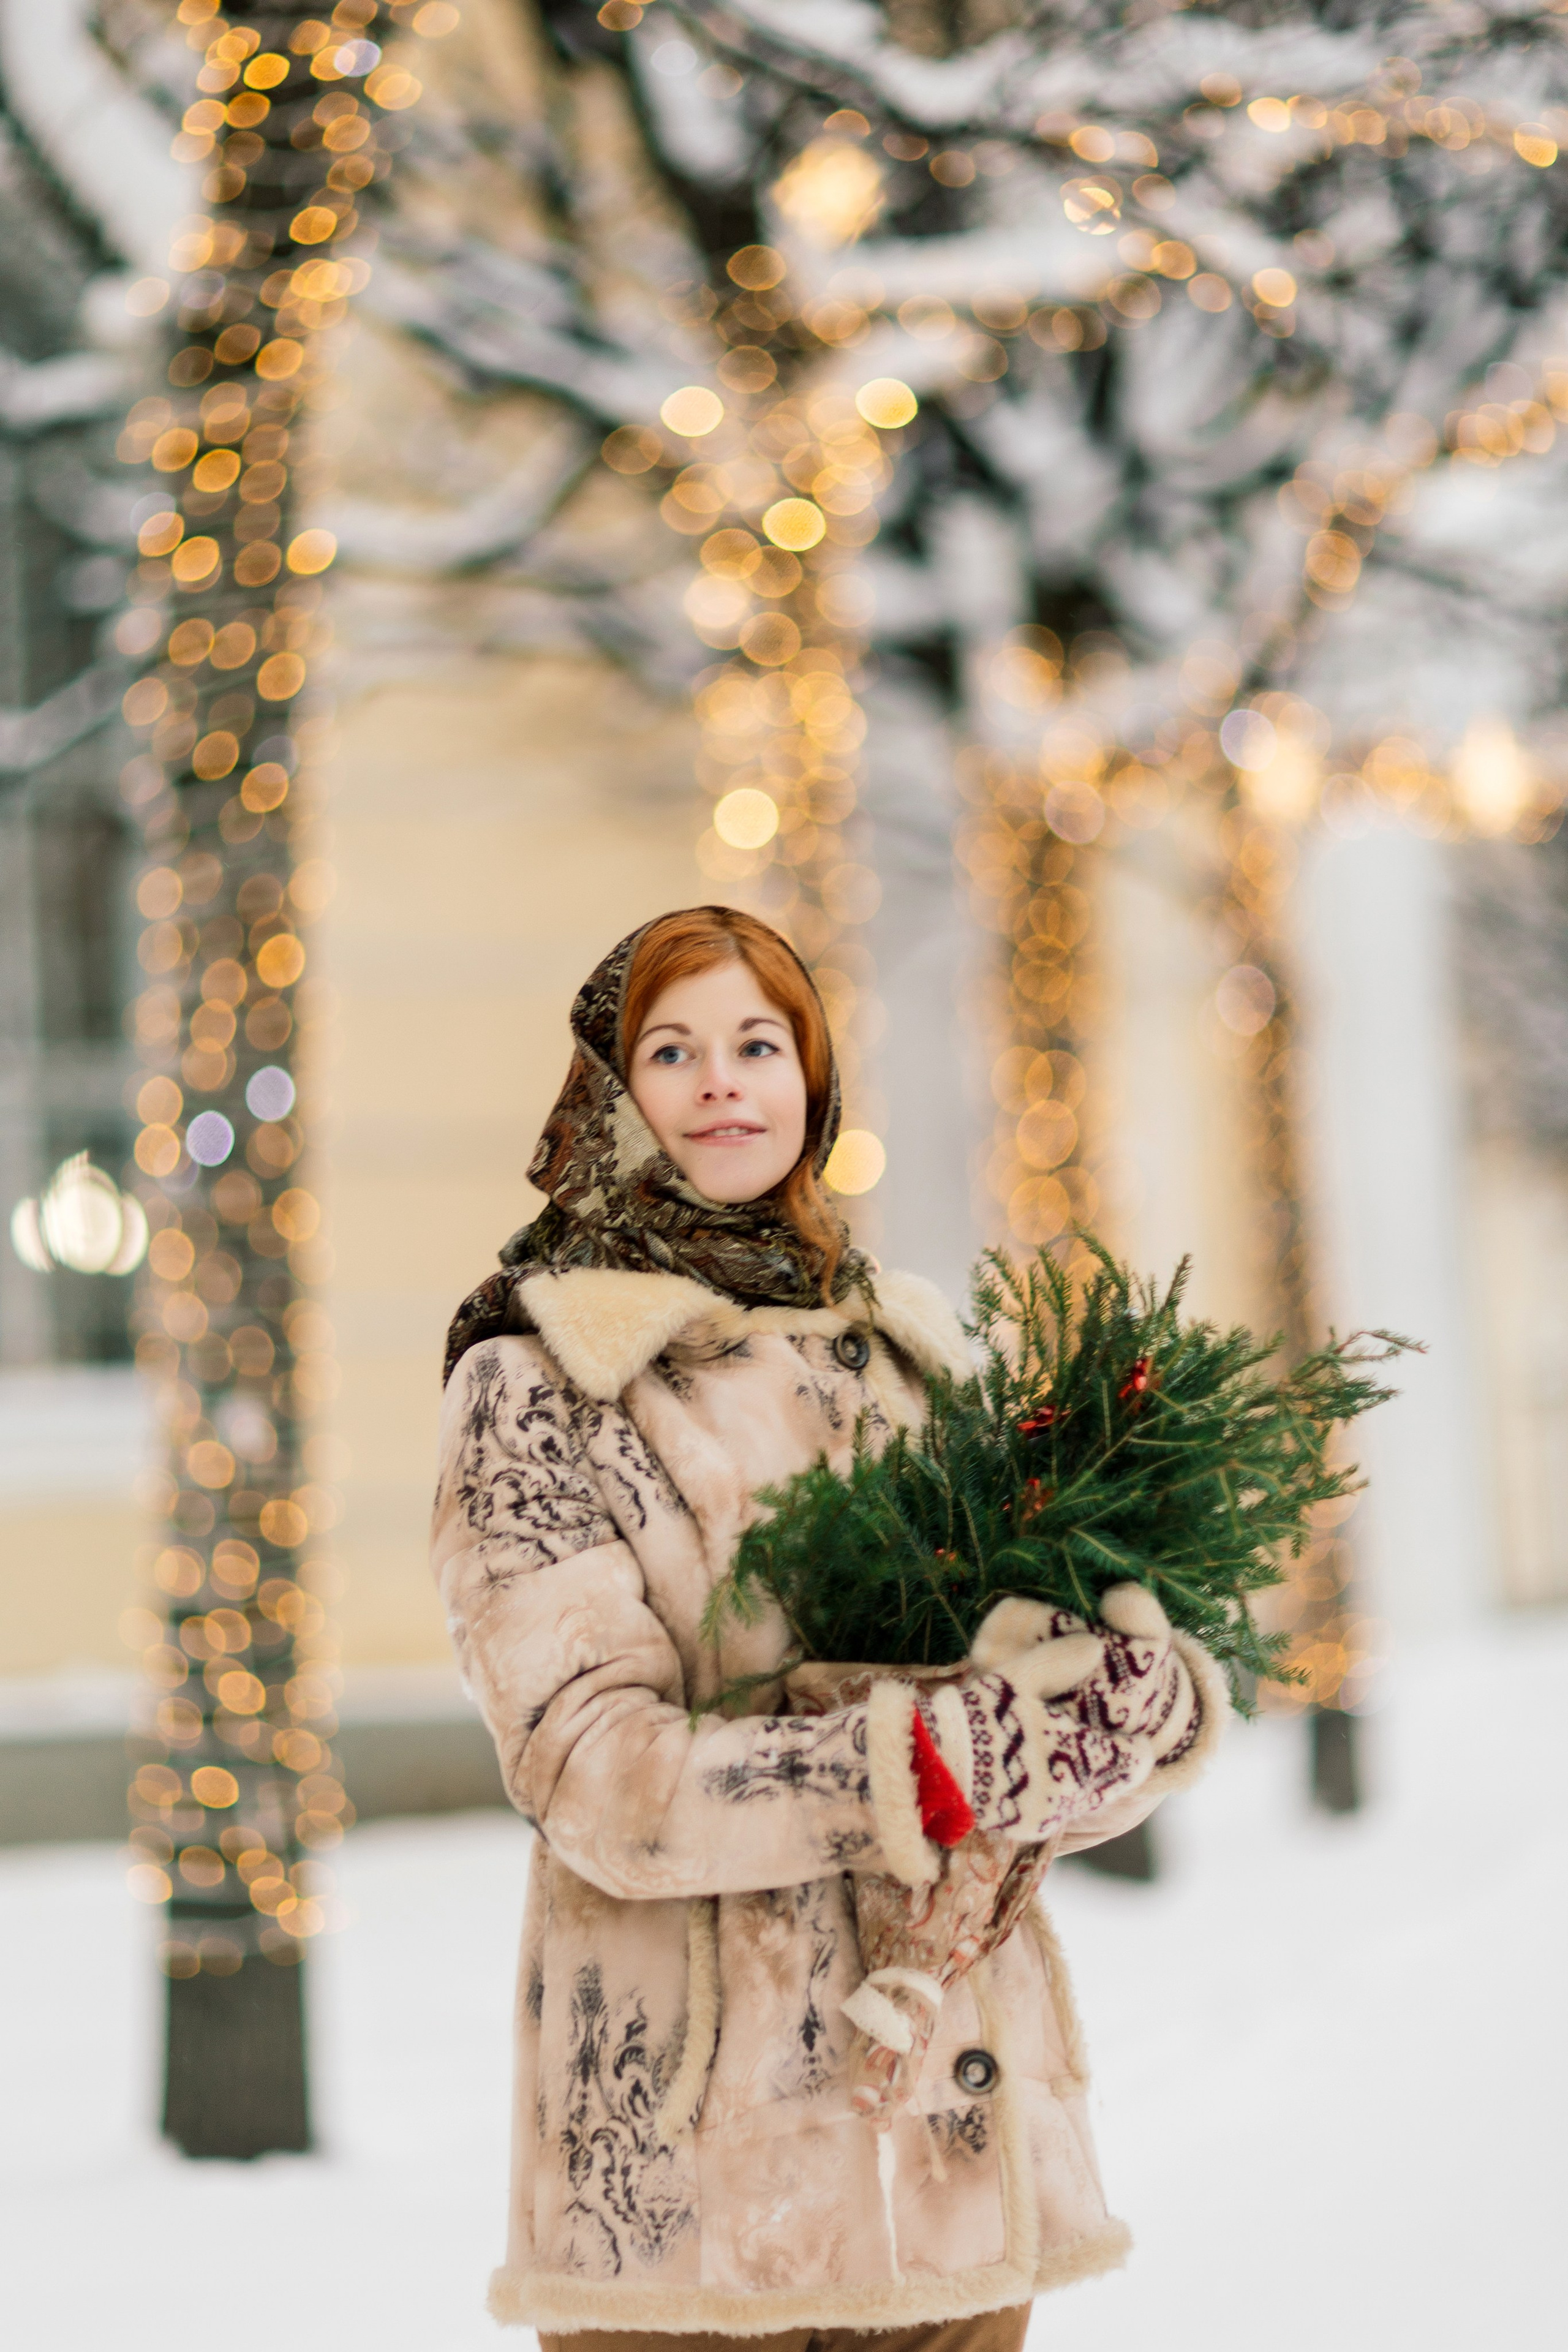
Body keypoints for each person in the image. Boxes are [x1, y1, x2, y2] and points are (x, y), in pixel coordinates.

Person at [432, 907, 1226, 2352]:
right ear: (611, 1093)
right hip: (687, 2211)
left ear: (810, 1077)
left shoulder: (903, 1350)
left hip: (949, 2168)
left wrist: (1120, 1719)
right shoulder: (537, 1379)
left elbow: (1004, 1739)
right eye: (670, 1050)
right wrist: (918, 1765)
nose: (722, 1082)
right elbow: (600, 1783)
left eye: (757, 1043)